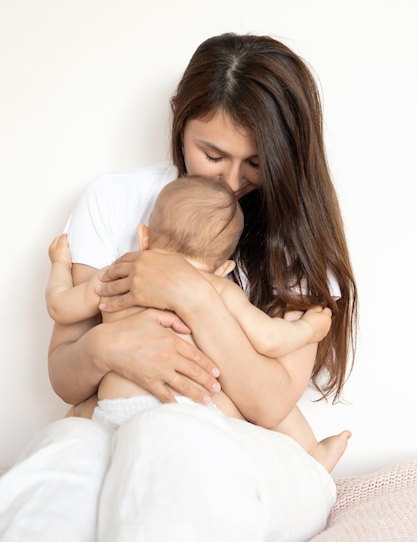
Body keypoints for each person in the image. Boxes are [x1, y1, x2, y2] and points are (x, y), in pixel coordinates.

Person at [0, 33, 358, 542]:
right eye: (212, 154)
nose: (232, 180)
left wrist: (190, 293)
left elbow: (270, 403)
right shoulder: (115, 199)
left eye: (256, 163)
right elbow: (66, 375)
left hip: (249, 445)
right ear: (178, 118)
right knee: (65, 450)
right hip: (116, 421)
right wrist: (109, 345)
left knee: (162, 435)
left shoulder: (297, 235)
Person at [46, 175, 350, 473]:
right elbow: (269, 338)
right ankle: (312, 453)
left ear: (144, 237)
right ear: (223, 267)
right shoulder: (218, 288)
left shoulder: (120, 273)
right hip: (202, 416)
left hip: (118, 411)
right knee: (267, 400)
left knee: (81, 411)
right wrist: (310, 329)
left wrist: (60, 265)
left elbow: (60, 306)